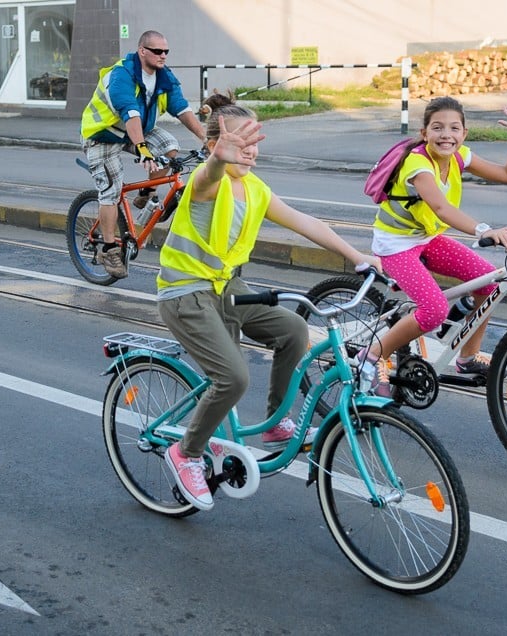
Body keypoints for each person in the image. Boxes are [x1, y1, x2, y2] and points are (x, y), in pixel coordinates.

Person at [158, 91, 381, 511]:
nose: (250, 151)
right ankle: (185, 452)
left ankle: (277, 423)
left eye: (254, 142)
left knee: (294, 329)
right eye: (240, 143)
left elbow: (305, 222)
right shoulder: (207, 184)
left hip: (226, 288)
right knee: (233, 378)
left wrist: (358, 257)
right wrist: (218, 160)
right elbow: (207, 178)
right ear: (215, 146)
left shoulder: (255, 189)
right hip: (186, 292)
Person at [359, 97, 507, 392]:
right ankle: (371, 356)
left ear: (464, 134)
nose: (446, 135)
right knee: (434, 310)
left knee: (489, 283)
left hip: (427, 239)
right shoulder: (417, 163)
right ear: (425, 133)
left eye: (454, 128)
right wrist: (483, 230)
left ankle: (467, 357)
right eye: (437, 128)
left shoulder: (459, 156)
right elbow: (440, 208)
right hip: (396, 246)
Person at [80, 30, 206, 279]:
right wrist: (143, 150)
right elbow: (130, 113)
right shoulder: (122, 75)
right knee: (111, 191)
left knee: (170, 149)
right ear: (142, 51)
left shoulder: (163, 76)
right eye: (158, 51)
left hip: (136, 131)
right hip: (103, 134)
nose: (163, 56)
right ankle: (108, 248)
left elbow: (181, 108)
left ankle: (147, 193)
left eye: (166, 51)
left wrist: (206, 139)